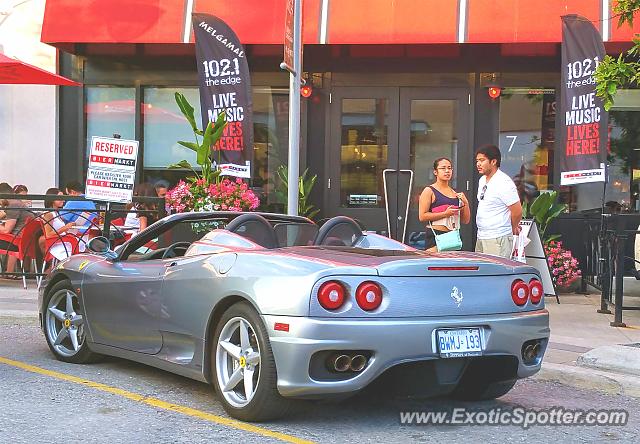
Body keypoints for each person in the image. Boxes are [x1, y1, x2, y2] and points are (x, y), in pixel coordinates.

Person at [475, 144, 522, 258]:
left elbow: (517, 211)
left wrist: (510, 228)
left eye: (482, 160)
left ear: (493, 161)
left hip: (498, 237)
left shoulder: (503, 182)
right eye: (477, 161)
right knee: (481, 274)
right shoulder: (482, 180)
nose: (478, 164)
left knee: (495, 274)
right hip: (481, 235)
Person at [418, 157, 470, 251]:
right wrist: (445, 214)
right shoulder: (429, 191)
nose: (447, 171)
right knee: (435, 264)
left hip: (453, 236)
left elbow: (465, 220)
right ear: (435, 172)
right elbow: (422, 216)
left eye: (449, 168)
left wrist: (466, 203)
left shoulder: (455, 193)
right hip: (436, 235)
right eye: (443, 168)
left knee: (451, 265)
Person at [39, 188, 77, 262]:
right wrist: (65, 228)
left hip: (62, 241)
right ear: (52, 199)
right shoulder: (49, 214)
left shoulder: (56, 213)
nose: (63, 200)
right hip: (56, 244)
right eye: (60, 198)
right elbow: (48, 234)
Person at [0, 184, 29, 277]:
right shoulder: (17, 203)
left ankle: (8, 272)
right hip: (23, 239)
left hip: (15, 241)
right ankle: (9, 272)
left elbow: (6, 231)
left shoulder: (13, 204)